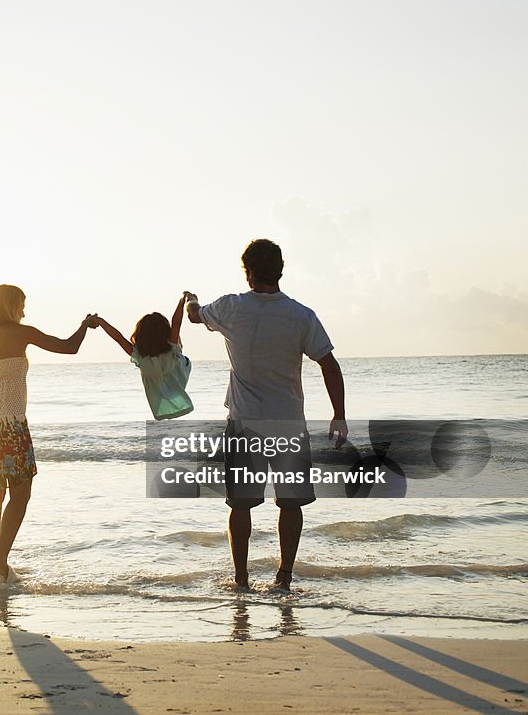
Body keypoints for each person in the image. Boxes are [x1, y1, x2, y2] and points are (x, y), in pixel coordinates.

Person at [185, 239, 347, 591]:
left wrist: (190, 299)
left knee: (241, 506)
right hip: (288, 424)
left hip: (244, 423)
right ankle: (284, 577)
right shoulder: (302, 316)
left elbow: (194, 316)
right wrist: (339, 414)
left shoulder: (231, 307)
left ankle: (241, 580)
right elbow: (329, 365)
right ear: (281, 270)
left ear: (249, 273)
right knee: (290, 504)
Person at [0, 284, 97, 584]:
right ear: (10, 306)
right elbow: (69, 347)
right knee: (20, 495)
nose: (24, 312)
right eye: (21, 306)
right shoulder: (21, 333)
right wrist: (84, 326)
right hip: (9, 423)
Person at [95, 294, 194, 419]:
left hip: (160, 391)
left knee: (174, 350)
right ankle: (172, 347)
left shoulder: (139, 355)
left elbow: (119, 338)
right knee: (176, 350)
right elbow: (176, 324)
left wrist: (100, 321)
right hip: (177, 377)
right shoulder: (171, 347)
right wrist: (182, 301)